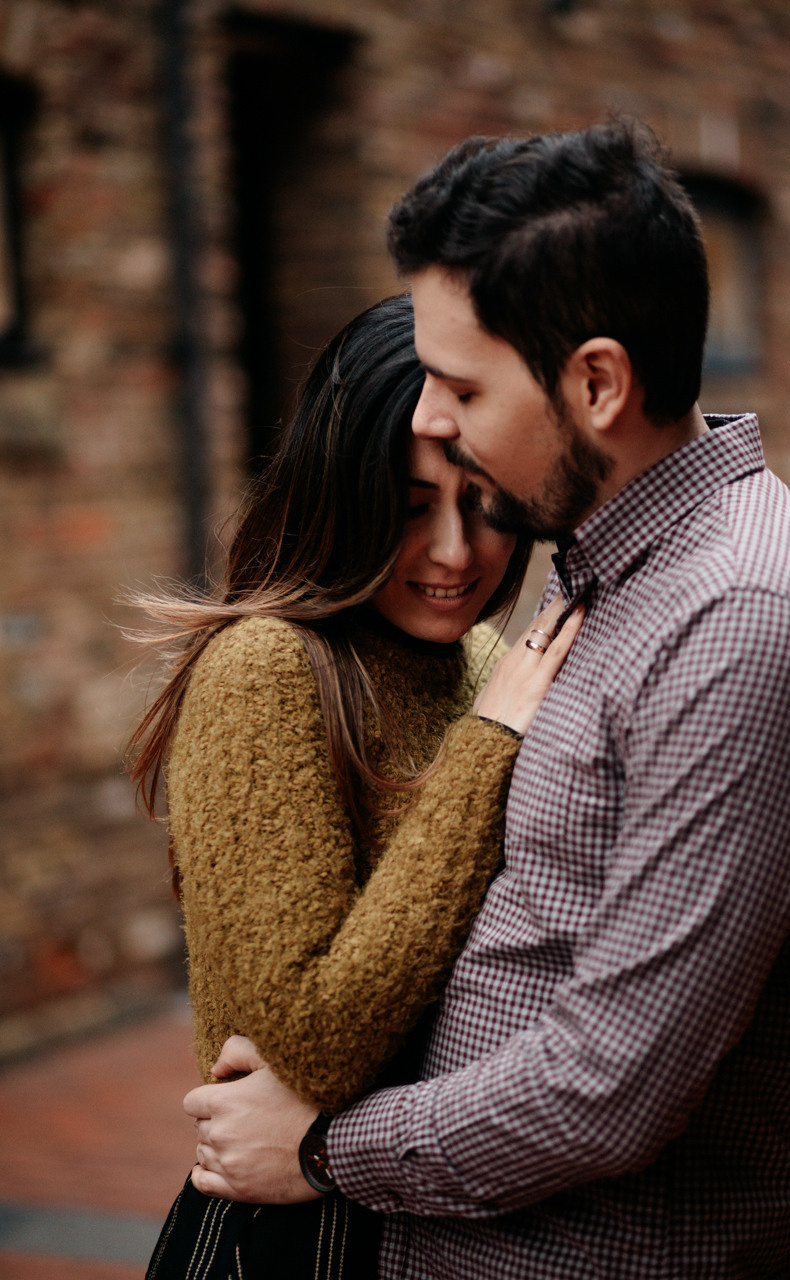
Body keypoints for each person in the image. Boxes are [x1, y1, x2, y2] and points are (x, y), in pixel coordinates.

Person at [181, 121, 790, 1279]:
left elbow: (609, 1083)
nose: (431, 414)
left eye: (460, 382)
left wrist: (331, 1149)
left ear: (595, 381)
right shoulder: (602, 573)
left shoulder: (741, 614)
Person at [128, 293, 581, 1279]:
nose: (456, 554)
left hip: (436, 1204)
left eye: (488, 504)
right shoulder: (267, 670)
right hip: (311, 1238)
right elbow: (309, 1045)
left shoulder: (481, 655)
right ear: (342, 495)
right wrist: (492, 745)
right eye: (413, 508)